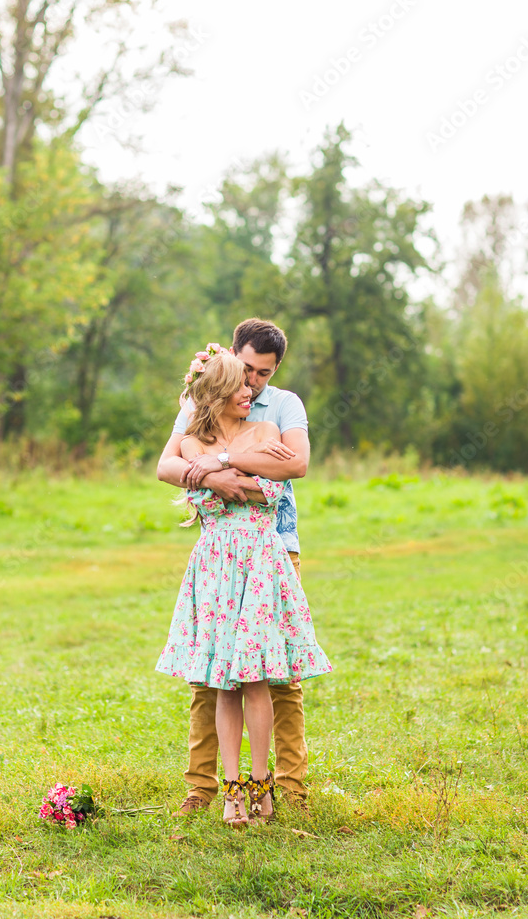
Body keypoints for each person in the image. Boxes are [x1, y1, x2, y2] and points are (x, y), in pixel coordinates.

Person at [155, 348, 331, 825]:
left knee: (269, 677)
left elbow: (281, 478)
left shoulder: (273, 421)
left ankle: (275, 786)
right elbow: (173, 471)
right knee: (216, 680)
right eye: (243, 376)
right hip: (216, 566)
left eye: (260, 375)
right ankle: (218, 788)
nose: (251, 385)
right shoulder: (192, 436)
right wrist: (223, 475)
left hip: (264, 557)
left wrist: (220, 467)